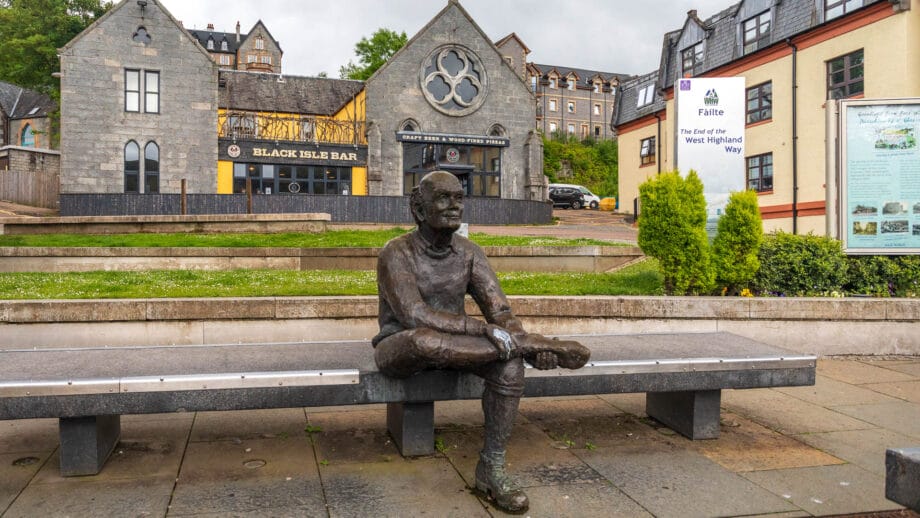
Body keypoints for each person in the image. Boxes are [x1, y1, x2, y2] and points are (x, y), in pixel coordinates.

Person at [373, 170, 589, 513]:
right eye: (443, 198)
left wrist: (510, 333)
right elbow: (414, 315)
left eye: (459, 198)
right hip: (401, 347)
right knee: (425, 340)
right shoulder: (395, 252)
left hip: (458, 348)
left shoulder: (470, 252)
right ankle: (532, 346)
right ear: (418, 208)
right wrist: (489, 332)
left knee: (510, 364)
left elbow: (501, 312)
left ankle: (492, 466)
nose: (454, 206)